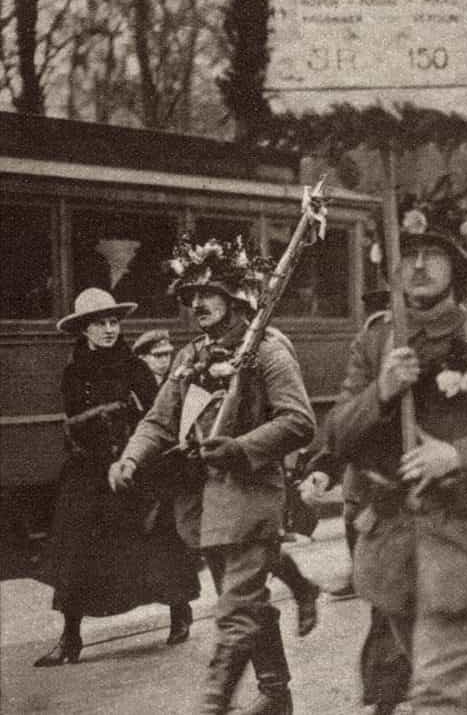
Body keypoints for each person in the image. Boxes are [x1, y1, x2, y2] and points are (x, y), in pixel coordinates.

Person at [322, 207, 467, 715]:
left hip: (466, 540)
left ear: (457, 268)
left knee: (434, 692)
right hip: (392, 547)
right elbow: (336, 435)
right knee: (450, 687)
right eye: (409, 256)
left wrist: (456, 455)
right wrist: (381, 392)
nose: (420, 266)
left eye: (433, 256)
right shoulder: (376, 339)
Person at [110, 238, 316, 715]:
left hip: (249, 498)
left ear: (236, 298)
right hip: (202, 504)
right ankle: (275, 690)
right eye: (190, 296)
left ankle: (211, 704)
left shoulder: (265, 351)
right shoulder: (189, 357)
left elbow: (299, 421)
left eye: (209, 293)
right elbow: (160, 420)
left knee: (235, 613)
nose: (197, 304)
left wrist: (242, 448)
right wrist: (131, 458)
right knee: (240, 599)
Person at [34, 291, 198, 668]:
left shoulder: (133, 366)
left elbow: (157, 416)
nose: (109, 329)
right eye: (99, 323)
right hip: (89, 469)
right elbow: (73, 419)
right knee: (77, 549)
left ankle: (179, 609)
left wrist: (130, 448)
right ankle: (70, 638)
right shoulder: (74, 370)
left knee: (156, 540)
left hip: (132, 467)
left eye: (113, 322)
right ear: (84, 328)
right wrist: (92, 433)